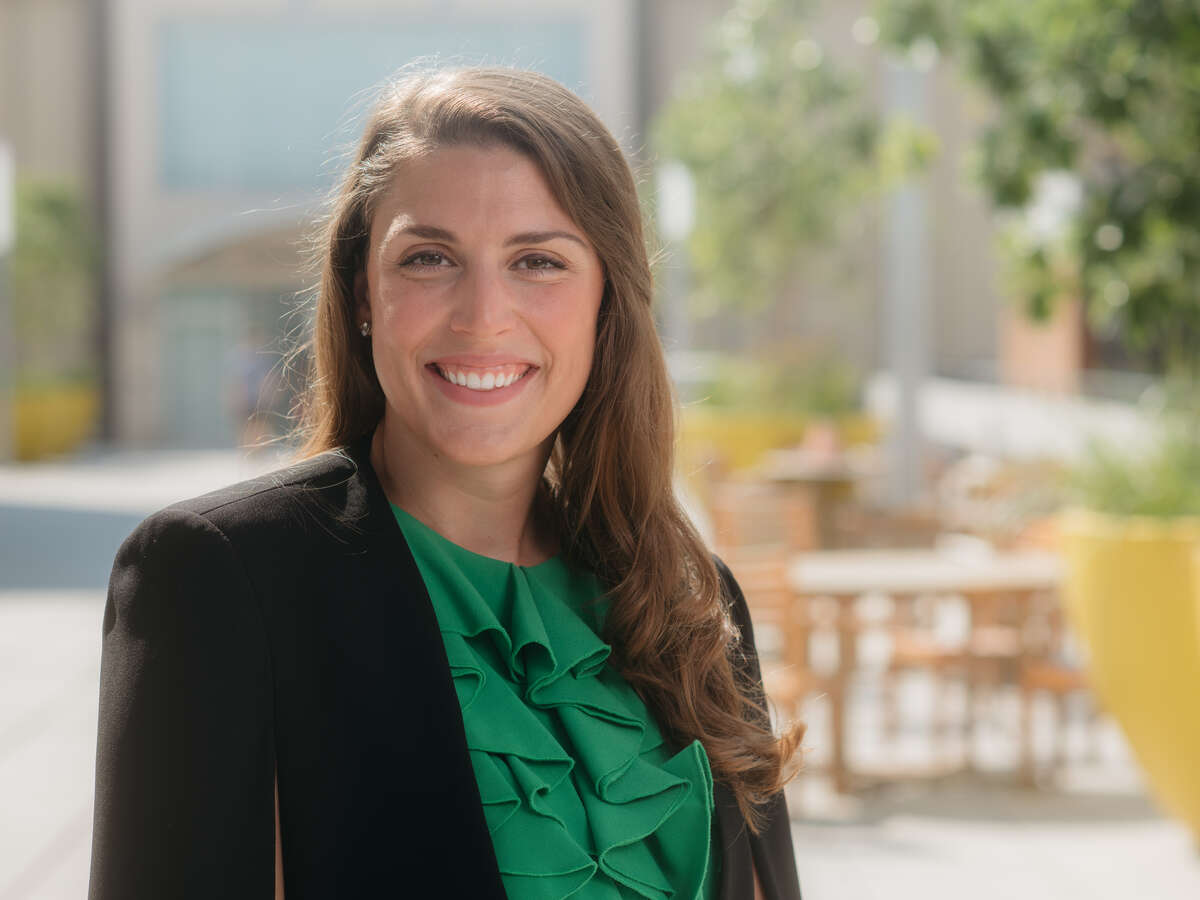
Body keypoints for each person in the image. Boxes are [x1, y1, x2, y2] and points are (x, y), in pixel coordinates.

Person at [88, 66, 805, 899]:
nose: (482, 314)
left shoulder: (689, 595)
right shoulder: (222, 578)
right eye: (430, 258)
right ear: (363, 293)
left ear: (608, 302)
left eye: (538, 260)